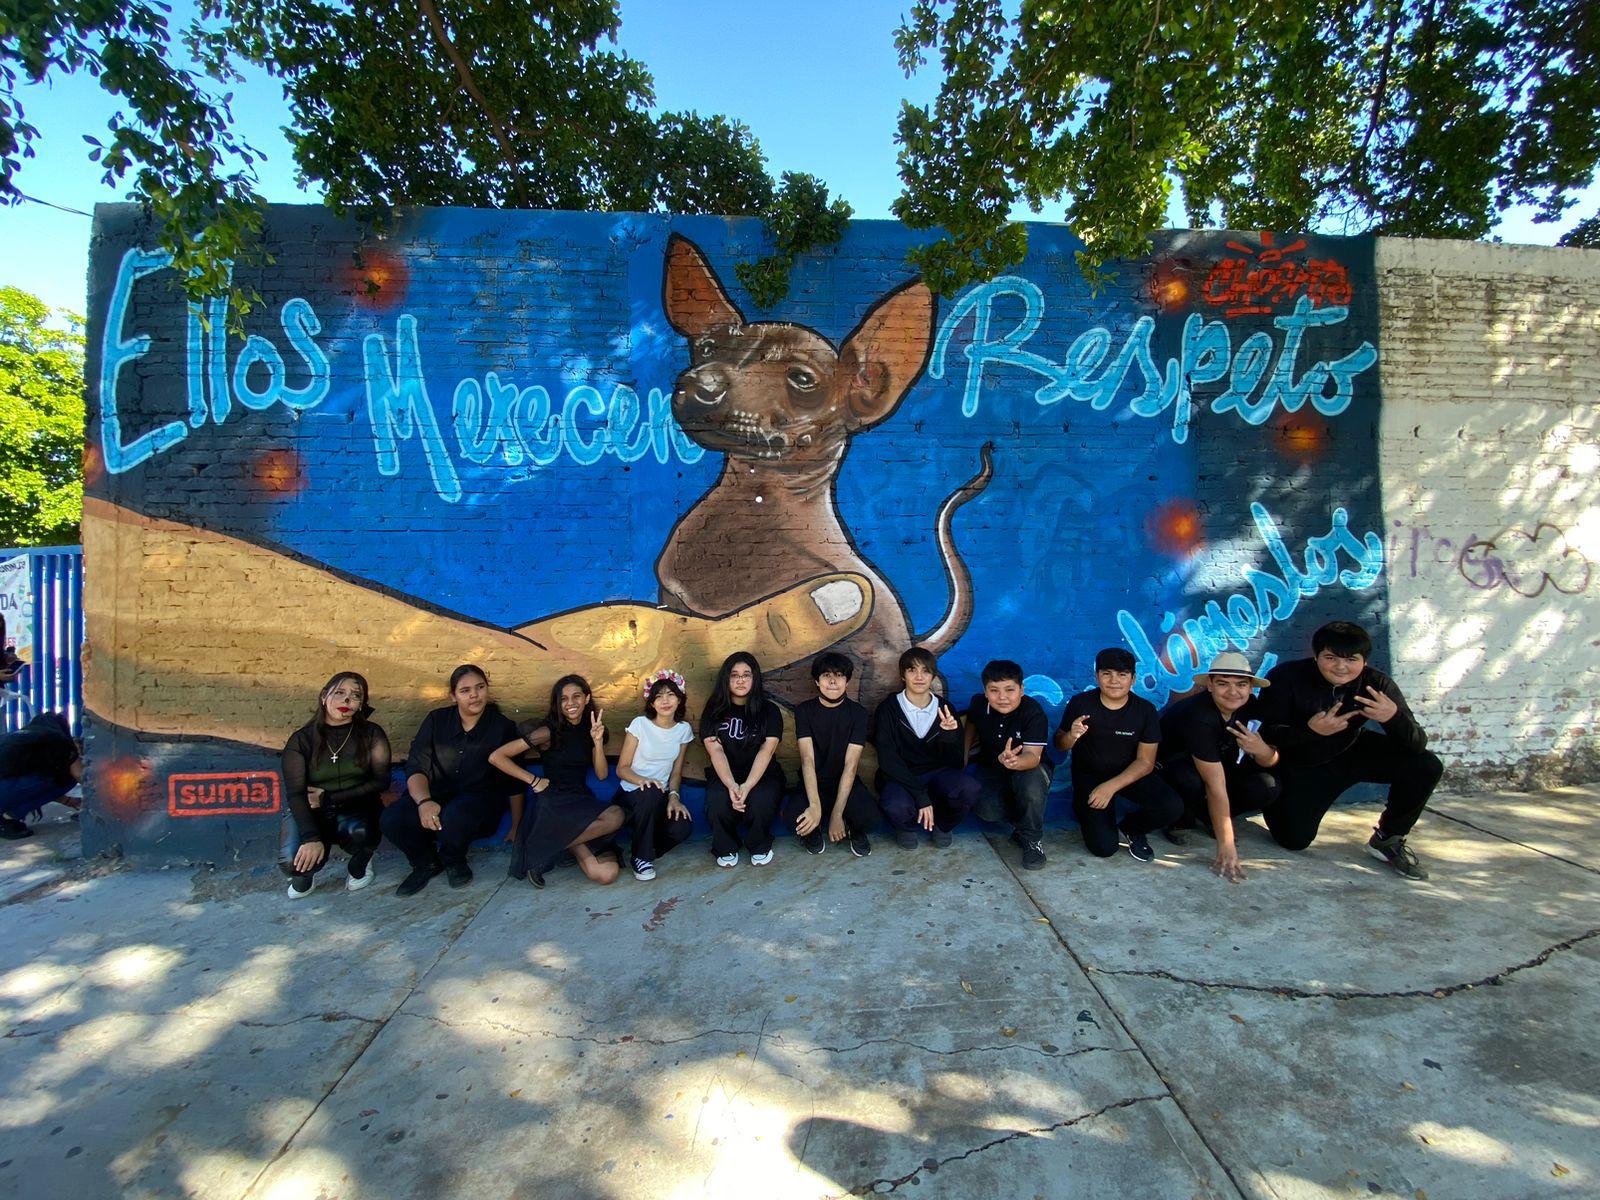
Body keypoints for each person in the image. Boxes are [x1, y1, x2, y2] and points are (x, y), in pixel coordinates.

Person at [1256, 621, 1444, 880]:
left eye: (1351, 659)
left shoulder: (1376, 683)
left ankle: (1387, 839)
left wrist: (1393, 718)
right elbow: (1264, 733)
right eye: (1330, 657)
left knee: (1426, 765)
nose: (1340, 667)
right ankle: (1281, 804)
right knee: (1293, 840)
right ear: (1317, 656)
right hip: (1303, 763)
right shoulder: (1286, 677)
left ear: (1364, 661)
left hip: (1352, 750)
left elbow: (1415, 744)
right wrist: (1310, 732)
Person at [381, 663, 520, 895]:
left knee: (456, 815)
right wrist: (424, 802)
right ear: (453, 696)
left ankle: (453, 859)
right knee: (392, 819)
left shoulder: (502, 727)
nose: (474, 695)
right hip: (435, 795)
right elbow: (416, 766)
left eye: (480, 687)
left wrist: (517, 826)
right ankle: (425, 862)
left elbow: (513, 781)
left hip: (478, 803)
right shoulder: (437, 721)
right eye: (465, 691)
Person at [1155, 652, 1282, 882]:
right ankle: (1182, 820)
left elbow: (1270, 761)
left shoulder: (1250, 707)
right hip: (1174, 769)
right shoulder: (1198, 714)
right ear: (1210, 685)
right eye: (1223, 684)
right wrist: (1227, 844)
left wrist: (1262, 749)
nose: (1233, 692)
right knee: (1189, 779)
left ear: (1250, 687)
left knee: (1268, 785)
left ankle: (1210, 817)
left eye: (1241, 685)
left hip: (1220, 765)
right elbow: (1214, 783)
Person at [491, 674, 624, 889]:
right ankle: (546, 850)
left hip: (579, 799)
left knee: (608, 871)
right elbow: (497, 757)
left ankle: (543, 850)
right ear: (557, 703)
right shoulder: (547, 732)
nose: (570, 704)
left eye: (576, 696)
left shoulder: (592, 729)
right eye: (563, 699)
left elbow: (601, 774)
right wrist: (533, 780)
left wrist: (597, 742)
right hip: (553, 801)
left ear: (587, 698)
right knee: (613, 823)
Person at [1054, 648, 1182, 863]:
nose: (1114, 681)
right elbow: (1059, 744)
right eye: (1107, 674)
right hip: (1090, 778)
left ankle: (1133, 828)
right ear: (1097, 676)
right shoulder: (1081, 703)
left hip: (1128, 774)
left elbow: (1145, 762)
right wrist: (1071, 736)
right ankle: (1085, 808)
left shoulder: (1145, 710)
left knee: (1172, 807)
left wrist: (1110, 787)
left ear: (1133, 679)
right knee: (1104, 848)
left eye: (1122, 675)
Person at [279, 672, 391, 897]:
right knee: (293, 862)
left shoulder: (371, 734)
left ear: (361, 704)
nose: (347, 701)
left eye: (355, 696)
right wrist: (310, 838)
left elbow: (381, 781)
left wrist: (330, 797)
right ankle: (303, 880)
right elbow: (295, 793)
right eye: (339, 693)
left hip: (356, 806)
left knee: (362, 834)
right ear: (324, 697)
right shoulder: (301, 740)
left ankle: (359, 866)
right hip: (312, 810)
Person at [873, 646, 977, 850]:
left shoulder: (945, 710)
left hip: (937, 775)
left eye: (925, 671)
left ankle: (943, 826)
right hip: (901, 777)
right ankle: (906, 827)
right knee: (895, 804)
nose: (919, 676)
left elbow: (956, 763)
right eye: (912, 670)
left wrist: (948, 736)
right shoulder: (889, 709)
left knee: (969, 788)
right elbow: (888, 760)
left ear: (933, 676)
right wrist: (920, 796)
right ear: (903, 675)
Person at [784, 652, 879, 858]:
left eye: (839, 675)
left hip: (846, 781)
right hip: (814, 781)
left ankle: (853, 827)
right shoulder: (804, 711)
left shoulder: (858, 714)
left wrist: (837, 814)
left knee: (870, 818)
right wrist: (815, 806)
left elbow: (851, 765)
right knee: (792, 817)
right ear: (817, 681)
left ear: (847, 680)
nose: (833, 681)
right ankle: (812, 829)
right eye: (827, 675)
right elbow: (807, 760)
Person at [964, 659, 1052, 869]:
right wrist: (964, 753)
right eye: (994, 690)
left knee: (1030, 785)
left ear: (1021, 689)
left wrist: (1014, 761)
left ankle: (1032, 840)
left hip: (1030, 768)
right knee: (986, 809)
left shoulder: (1033, 712)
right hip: (992, 769)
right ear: (985, 692)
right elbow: (972, 723)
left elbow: (1033, 756)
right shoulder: (979, 704)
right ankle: (1019, 825)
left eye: (1009, 690)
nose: (1002, 697)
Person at [702, 653, 786, 867]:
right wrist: (731, 784)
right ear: (726, 679)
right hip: (725, 772)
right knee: (717, 800)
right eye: (735, 675)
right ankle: (725, 846)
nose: (740, 680)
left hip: (762, 772)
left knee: (761, 799)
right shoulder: (714, 709)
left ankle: (759, 844)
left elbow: (766, 751)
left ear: (755, 678)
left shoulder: (770, 711)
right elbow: (715, 751)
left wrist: (747, 786)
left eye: (746, 675)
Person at [614, 669, 697, 880]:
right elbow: (622, 768)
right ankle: (641, 858)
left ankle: (645, 851)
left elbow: (676, 772)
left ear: (680, 699)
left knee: (682, 825)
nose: (665, 701)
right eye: (658, 696)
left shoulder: (683, 730)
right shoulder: (640, 725)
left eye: (670, 694)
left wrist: (674, 797)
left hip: (659, 796)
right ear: (651, 703)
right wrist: (644, 781)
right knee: (650, 791)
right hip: (632, 794)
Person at [0, 712, 81, 840]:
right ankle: (6, 818)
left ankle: (7, 816)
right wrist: (104, 802)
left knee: (52, 774)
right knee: (67, 776)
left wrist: (70, 801)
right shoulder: (57, 740)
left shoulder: (23, 737)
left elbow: (37, 785)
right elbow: (79, 774)